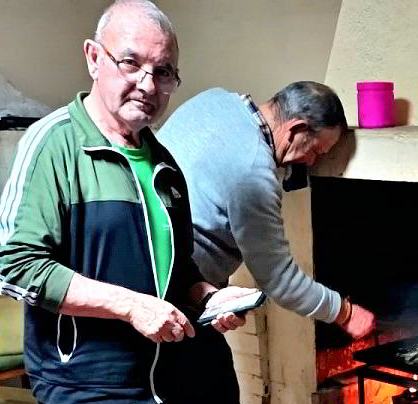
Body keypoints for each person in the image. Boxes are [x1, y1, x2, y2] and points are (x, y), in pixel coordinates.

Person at [0, 0, 258, 404]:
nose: (148, 85)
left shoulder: (164, 162)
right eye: (131, 63)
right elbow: (16, 265)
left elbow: (179, 270)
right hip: (90, 390)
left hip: (173, 378)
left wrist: (209, 298)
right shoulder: (54, 144)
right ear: (94, 58)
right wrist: (131, 305)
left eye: (164, 72)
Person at [159, 81, 376, 341]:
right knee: (213, 379)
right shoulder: (254, 170)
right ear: (296, 129)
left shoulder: (214, 99)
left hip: (156, 271)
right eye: (315, 150)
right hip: (171, 301)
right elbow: (280, 280)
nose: (311, 161)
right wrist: (345, 313)